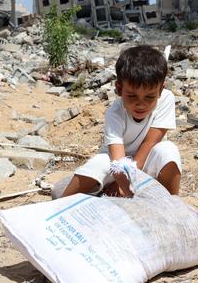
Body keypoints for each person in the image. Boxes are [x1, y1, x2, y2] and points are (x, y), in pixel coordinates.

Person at [58, 45, 181, 198]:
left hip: (145, 161)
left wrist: (127, 185)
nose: (140, 104)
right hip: (118, 166)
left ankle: (172, 204)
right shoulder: (114, 113)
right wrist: (123, 184)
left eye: (149, 97)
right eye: (132, 96)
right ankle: (60, 204)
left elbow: (150, 143)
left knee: (168, 150)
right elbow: (118, 162)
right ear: (119, 88)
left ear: (160, 91)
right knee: (100, 162)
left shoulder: (167, 99)